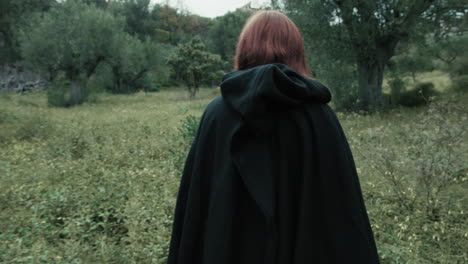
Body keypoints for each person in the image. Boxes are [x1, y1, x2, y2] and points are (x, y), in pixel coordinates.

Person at [167, 10, 380, 264]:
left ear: (244, 50)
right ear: (297, 52)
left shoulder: (217, 114)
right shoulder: (320, 117)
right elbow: (342, 217)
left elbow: (195, 216)